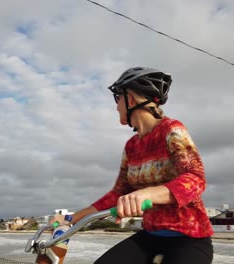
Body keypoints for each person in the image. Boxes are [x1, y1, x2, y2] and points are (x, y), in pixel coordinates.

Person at [50, 67, 214, 264]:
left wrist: (146, 194)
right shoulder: (131, 146)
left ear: (131, 99)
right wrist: (70, 220)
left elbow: (195, 179)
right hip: (150, 236)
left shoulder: (172, 130)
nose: (116, 106)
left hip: (190, 238)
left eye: (118, 98)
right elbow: (117, 194)